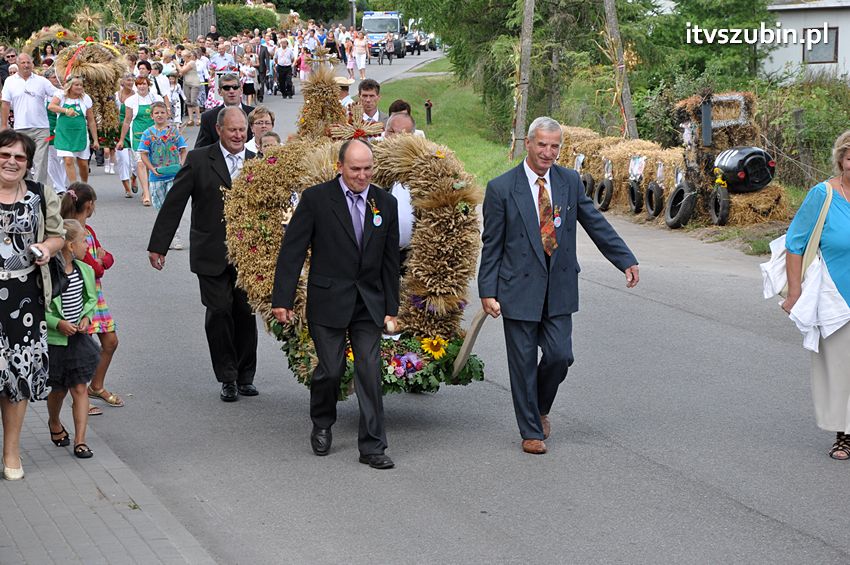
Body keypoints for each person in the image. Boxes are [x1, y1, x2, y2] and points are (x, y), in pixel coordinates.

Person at [478, 116, 640, 455]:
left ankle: (540, 407)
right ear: (528, 144)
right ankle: (531, 431)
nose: (548, 153)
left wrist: (624, 259)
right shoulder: (502, 188)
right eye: (542, 145)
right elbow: (491, 244)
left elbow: (595, 222)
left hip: (559, 288)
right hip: (518, 289)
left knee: (559, 356)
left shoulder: (568, 181)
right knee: (522, 365)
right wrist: (487, 291)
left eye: (555, 146)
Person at [272, 139, 400, 470]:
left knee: (370, 371)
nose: (362, 175)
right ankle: (323, 421)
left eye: (368, 168)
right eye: (355, 169)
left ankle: (373, 446)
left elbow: (389, 261)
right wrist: (282, 299)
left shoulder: (384, 203)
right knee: (331, 370)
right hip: (328, 299)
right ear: (339, 167)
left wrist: (392, 307)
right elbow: (293, 250)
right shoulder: (316, 200)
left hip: (367, 302)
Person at [147, 107, 259, 402]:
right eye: (232, 130)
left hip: (249, 255)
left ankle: (246, 375)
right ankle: (228, 376)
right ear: (220, 130)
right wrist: (159, 245)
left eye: (242, 129)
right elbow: (175, 202)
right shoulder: (199, 159)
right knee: (220, 310)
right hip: (211, 252)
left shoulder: (257, 162)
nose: (238, 135)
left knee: (245, 314)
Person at [0, 130, 65, 480]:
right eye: (5, 154)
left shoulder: (39, 194)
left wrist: (48, 249)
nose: (11, 162)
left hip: (25, 296)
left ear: (27, 163)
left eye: (19, 157)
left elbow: (58, 234)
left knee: (18, 376)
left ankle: (11, 451)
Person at [782, 130, 850, 460]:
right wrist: (794, 293)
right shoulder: (822, 196)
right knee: (839, 368)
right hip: (836, 295)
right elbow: (795, 244)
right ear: (841, 161)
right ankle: (844, 434)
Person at [60, 184, 123, 414]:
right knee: (79, 349)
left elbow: (106, 259)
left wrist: (102, 261)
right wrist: (102, 261)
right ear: (89, 204)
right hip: (78, 296)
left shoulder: (90, 232)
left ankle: (96, 386)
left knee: (110, 341)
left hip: (96, 296)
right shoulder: (70, 232)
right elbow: (97, 266)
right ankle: (79, 397)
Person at [45, 218, 99, 459]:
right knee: (58, 390)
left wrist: (86, 318)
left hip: (78, 339)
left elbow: (90, 299)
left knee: (79, 387)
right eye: (83, 241)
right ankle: (54, 421)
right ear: (69, 245)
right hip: (55, 341)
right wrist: (58, 323)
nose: (87, 246)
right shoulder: (47, 274)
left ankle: (80, 441)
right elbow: (37, 308)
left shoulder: (84, 270)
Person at [1, 53, 57, 190]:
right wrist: (3, 125)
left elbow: (57, 94)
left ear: (32, 64)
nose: (26, 65)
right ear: (18, 64)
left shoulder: (41, 81)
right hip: (21, 128)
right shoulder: (10, 81)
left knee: (40, 161)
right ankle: (26, 188)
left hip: (41, 127)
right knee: (24, 161)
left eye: (28, 63)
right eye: (23, 63)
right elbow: (5, 104)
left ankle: (40, 191)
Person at [138, 101, 188, 248]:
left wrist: (181, 166)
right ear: (152, 116)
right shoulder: (148, 133)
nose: (160, 115)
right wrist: (151, 169)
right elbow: (143, 153)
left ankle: (175, 236)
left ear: (167, 114)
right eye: (156, 113)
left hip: (173, 175)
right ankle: (166, 236)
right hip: (156, 176)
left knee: (172, 206)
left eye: (162, 112)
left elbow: (183, 149)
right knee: (160, 208)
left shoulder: (174, 132)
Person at [116, 77, 163, 206]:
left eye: (144, 84)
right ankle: (146, 193)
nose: (142, 87)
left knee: (152, 164)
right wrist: (121, 140)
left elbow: (162, 116)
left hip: (155, 134)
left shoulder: (156, 98)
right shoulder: (131, 101)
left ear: (149, 85)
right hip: (138, 135)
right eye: (139, 85)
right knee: (141, 163)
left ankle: (149, 188)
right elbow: (127, 120)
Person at [47, 76, 99, 184]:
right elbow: (51, 106)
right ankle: (74, 188)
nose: (79, 87)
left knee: (83, 164)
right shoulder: (61, 95)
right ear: (70, 86)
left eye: (81, 85)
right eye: (76, 85)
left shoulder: (85, 98)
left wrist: (95, 140)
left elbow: (91, 120)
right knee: (68, 160)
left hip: (80, 135)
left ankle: (84, 185)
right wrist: (65, 110)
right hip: (64, 135)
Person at [383, 112, 417, 273]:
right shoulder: (368, 164)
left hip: (411, 257)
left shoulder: (421, 169)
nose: (394, 138)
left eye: (402, 134)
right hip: (376, 256)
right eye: (391, 132)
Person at [195, 73, 254, 148]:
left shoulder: (254, 113)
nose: (231, 91)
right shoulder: (208, 117)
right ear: (219, 92)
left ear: (241, 90)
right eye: (226, 88)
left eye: (235, 87)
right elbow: (200, 149)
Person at [113, 74, 138, 198]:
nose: (131, 82)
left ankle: (134, 176)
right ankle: (127, 188)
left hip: (133, 129)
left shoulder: (137, 96)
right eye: (128, 80)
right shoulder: (115, 96)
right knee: (123, 160)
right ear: (122, 81)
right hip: (118, 129)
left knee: (136, 161)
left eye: (132, 80)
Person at [178, 50, 202, 126]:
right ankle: (191, 119)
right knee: (188, 101)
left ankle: (199, 118)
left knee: (193, 101)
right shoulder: (185, 63)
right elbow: (181, 73)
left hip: (194, 83)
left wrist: (176, 64)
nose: (182, 58)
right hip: (186, 83)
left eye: (183, 56)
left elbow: (182, 70)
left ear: (187, 56)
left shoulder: (192, 63)